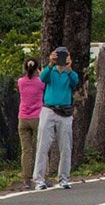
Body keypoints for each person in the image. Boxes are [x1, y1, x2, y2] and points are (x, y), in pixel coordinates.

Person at [33, 46, 80, 191]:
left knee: (66, 146)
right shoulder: (50, 71)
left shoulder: (69, 73)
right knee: (43, 145)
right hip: (49, 109)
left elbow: (75, 81)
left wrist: (69, 68)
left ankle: (64, 178)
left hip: (65, 112)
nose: (61, 58)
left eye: (64, 55)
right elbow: (42, 78)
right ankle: (39, 179)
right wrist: (51, 63)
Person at [17, 58, 44, 189]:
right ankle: (41, 176)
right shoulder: (40, 83)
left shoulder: (21, 82)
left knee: (26, 150)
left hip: (23, 118)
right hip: (37, 117)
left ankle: (26, 179)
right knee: (41, 147)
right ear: (37, 69)